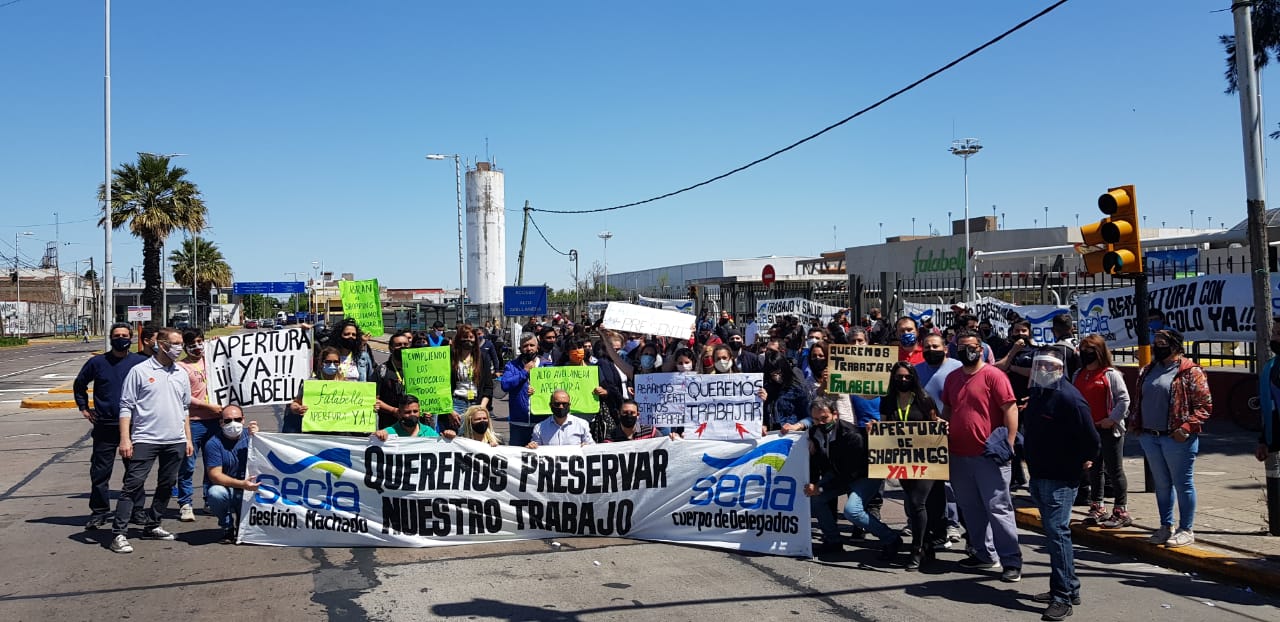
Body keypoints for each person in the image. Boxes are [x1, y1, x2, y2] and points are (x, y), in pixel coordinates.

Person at [1023, 349, 1100, 621]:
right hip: (1039, 473)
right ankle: (1068, 585)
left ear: (1060, 367)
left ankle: (1062, 597)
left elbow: (1091, 439)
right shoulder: (1038, 393)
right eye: (1039, 365)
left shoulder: (1069, 398)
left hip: (1060, 478)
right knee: (1052, 532)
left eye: (1049, 365)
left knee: (1057, 534)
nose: (1043, 370)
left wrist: (1084, 460)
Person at [941, 329, 1022, 582]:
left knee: (998, 508)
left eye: (972, 347)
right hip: (958, 455)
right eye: (961, 347)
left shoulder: (994, 375)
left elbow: (1010, 409)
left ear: (981, 348)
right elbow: (948, 410)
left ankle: (1011, 561)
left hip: (989, 456)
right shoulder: (952, 378)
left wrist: (1009, 443)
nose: (967, 351)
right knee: (970, 508)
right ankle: (984, 554)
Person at [110, 327, 194, 554]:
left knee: (167, 485)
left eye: (181, 344)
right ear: (162, 345)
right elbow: (126, 406)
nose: (179, 348)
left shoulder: (181, 373)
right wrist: (125, 439)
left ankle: (153, 524)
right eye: (176, 343)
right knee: (133, 485)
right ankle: (119, 533)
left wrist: (187, 438)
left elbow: (184, 408)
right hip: (145, 439)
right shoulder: (139, 371)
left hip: (175, 440)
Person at [1130, 328, 1212, 548]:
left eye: (1162, 343)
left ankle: (1186, 529)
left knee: (1182, 484)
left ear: (1175, 346)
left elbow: (1204, 406)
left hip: (1176, 438)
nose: (1157, 346)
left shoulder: (1190, 371)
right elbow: (1139, 399)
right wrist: (1136, 423)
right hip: (1150, 436)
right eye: (1155, 342)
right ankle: (1166, 526)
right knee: (1162, 484)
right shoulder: (1148, 370)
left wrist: (1186, 428)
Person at [805, 396, 901, 557]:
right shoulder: (814, 433)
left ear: (835, 415)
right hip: (838, 473)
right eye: (815, 420)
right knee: (815, 499)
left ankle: (891, 538)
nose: (820, 423)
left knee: (852, 510)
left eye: (824, 418)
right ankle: (833, 541)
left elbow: (850, 473)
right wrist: (813, 484)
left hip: (864, 475)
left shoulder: (851, 435)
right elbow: (815, 463)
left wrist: (820, 487)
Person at [75, 322, 149, 530]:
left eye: (125, 335)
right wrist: (84, 407)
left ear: (131, 338)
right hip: (105, 425)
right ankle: (99, 512)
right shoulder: (97, 362)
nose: (121, 339)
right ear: (110, 338)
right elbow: (80, 384)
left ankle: (137, 510)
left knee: (134, 472)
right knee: (100, 472)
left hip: (134, 426)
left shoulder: (140, 362)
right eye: (117, 335)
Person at [879, 362, 944, 570]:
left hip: (926, 459)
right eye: (899, 377)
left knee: (918, 502)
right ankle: (926, 545)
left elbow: (935, 422)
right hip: (903, 459)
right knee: (914, 505)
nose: (903, 380)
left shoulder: (924, 399)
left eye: (907, 377)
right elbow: (885, 426)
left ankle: (916, 549)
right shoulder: (888, 401)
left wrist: (942, 424)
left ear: (913, 378)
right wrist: (876, 429)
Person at [1072, 334, 1133, 528]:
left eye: (1090, 350)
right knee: (1094, 469)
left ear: (1099, 352)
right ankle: (1097, 506)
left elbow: (1124, 400)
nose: (1085, 354)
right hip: (1088, 430)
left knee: (1114, 469)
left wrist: (1112, 419)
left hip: (1109, 429)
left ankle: (1121, 510)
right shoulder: (1078, 374)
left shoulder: (1110, 374)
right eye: (1083, 350)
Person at [175, 328, 222, 522]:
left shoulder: (212, 360)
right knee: (188, 465)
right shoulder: (180, 367)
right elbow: (184, 396)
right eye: (192, 343)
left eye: (200, 341)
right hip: (193, 422)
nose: (197, 346)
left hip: (216, 421)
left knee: (213, 463)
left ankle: (209, 499)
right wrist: (206, 406)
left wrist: (219, 345)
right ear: (185, 346)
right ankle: (185, 503)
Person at [203, 405, 261, 543]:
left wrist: (259, 437)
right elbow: (215, 475)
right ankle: (227, 527)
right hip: (230, 488)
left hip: (250, 488)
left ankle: (244, 526)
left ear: (243, 420)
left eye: (237, 419)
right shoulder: (213, 444)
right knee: (215, 493)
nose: (233, 423)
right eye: (228, 420)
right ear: (221, 422)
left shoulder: (251, 436)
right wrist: (242, 484)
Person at [287, 346, 349, 433]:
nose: (332, 365)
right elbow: (295, 403)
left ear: (339, 363)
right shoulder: (311, 384)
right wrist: (297, 408)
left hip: (339, 431)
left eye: (335, 362)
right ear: (321, 363)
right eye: (328, 362)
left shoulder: (346, 385)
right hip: (315, 431)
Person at [447, 324, 494, 433]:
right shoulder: (450, 357)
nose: (468, 340)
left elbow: (488, 387)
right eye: (465, 337)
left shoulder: (482, 357)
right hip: (456, 404)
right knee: (458, 436)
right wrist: (449, 410)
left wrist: (481, 408)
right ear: (459, 339)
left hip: (477, 403)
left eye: (471, 337)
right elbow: (443, 385)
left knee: (476, 436)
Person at [502, 334, 542, 447]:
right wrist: (524, 371)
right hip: (518, 423)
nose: (529, 348)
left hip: (541, 424)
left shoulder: (547, 366)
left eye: (532, 345)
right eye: (525, 346)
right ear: (520, 349)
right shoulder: (511, 365)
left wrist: (537, 392)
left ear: (537, 347)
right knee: (516, 455)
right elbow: (505, 385)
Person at [763, 351, 812, 434]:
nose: (777, 377)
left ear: (785, 369)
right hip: (770, 436)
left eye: (779, 373)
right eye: (773, 375)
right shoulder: (766, 389)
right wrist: (762, 425)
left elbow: (811, 417)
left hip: (792, 436)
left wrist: (797, 426)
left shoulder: (798, 389)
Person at [527, 390, 594, 448]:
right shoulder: (539, 428)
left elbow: (592, 447)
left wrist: (588, 447)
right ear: (550, 405)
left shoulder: (582, 424)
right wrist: (531, 447)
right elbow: (536, 450)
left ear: (569, 405)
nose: (561, 407)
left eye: (564, 404)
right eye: (557, 404)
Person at [374, 331, 413, 430]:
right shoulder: (381, 370)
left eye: (405, 344)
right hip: (389, 424)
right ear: (391, 348)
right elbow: (375, 399)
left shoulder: (418, 369)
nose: (403, 347)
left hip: (414, 424)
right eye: (398, 345)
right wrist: (394, 411)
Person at [1256, 319, 1280, 465]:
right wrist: (1265, 441)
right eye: (1273, 333)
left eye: (1279, 334)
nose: (1274, 338)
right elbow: (1272, 409)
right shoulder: (1272, 367)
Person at [373, 396, 441, 439]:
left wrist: (446, 437)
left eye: (415, 411)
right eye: (407, 412)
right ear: (399, 413)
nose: (412, 414)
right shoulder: (388, 433)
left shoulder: (429, 432)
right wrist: (377, 436)